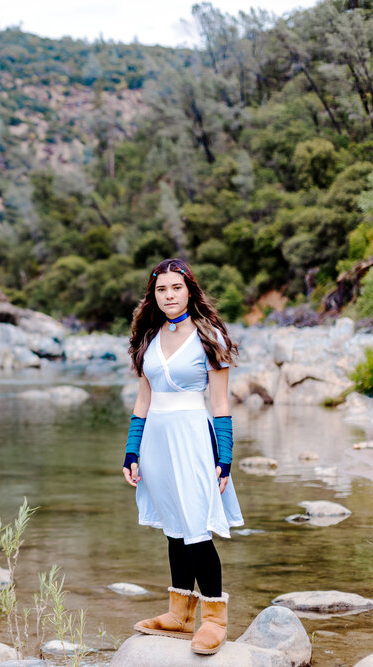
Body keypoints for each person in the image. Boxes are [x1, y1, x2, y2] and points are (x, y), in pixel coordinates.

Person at [121, 257, 243, 655]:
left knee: (196, 526)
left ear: (189, 290)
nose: (169, 295)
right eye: (161, 290)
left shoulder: (211, 338)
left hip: (193, 436)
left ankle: (214, 619)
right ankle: (179, 614)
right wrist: (131, 450)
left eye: (176, 288)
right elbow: (143, 399)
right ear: (153, 295)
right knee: (173, 525)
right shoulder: (149, 338)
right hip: (156, 438)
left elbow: (221, 405)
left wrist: (224, 459)